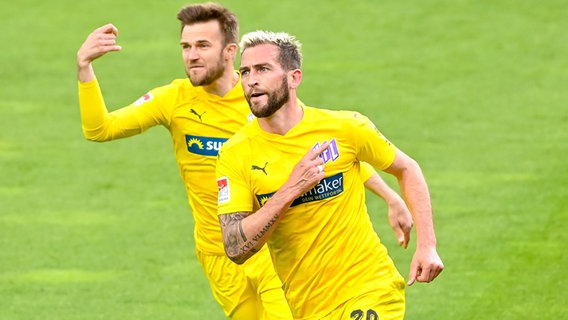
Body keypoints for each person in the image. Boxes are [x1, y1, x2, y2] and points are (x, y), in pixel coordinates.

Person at [76, 3, 413, 319]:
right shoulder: (172, 100)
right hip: (218, 254)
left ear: (229, 52)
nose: (192, 56)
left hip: (265, 245)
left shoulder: (261, 98)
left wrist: (388, 194)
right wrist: (85, 68)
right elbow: (100, 129)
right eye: (185, 47)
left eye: (202, 46)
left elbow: (319, 149)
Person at [216, 30, 444, 320]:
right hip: (308, 306)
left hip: (370, 286)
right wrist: (289, 190)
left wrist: (427, 246)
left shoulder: (344, 128)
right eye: (245, 71)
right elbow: (235, 246)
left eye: (263, 69)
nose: (251, 80)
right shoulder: (235, 154)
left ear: (293, 78)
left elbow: (406, 168)